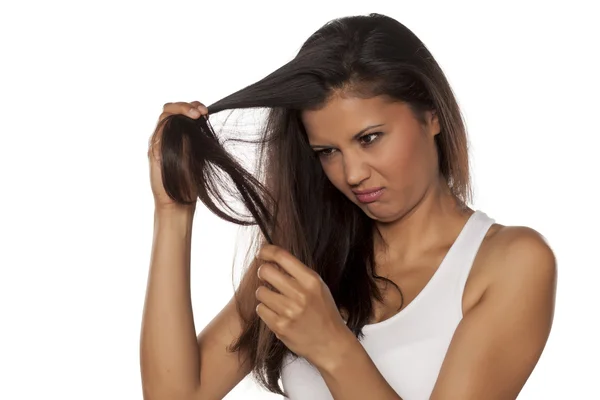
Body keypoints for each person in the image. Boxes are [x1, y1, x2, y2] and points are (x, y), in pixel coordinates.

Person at [140, 13, 557, 400]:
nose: (352, 173)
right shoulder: (305, 259)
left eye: (369, 138)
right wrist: (173, 212)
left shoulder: (509, 263)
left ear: (431, 116)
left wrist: (332, 346)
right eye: (327, 151)